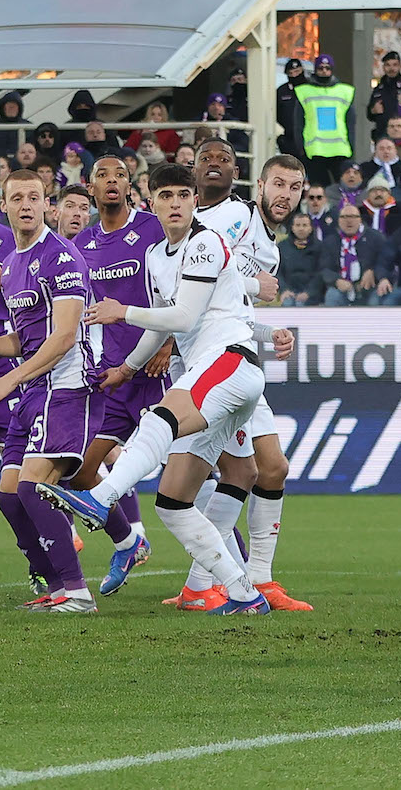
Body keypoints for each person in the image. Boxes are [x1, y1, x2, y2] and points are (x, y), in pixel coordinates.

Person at [35, 163, 288, 617]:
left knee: (160, 420)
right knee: (173, 501)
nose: (175, 203)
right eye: (165, 196)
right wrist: (127, 370)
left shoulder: (206, 242)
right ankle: (243, 593)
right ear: (150, 202)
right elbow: (163, 319)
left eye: (182, 195)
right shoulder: (157, 257)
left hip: (228, 362)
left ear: (195, 202)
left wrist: (121, 311)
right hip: (215, 373)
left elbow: (185, 318)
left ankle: (102, 497)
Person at [163, 142, 310, 612]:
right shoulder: (234, 216)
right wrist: (254, 285)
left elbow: (233, 307)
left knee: (267, 469)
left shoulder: (269, 246)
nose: (286, 195)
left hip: (236, 353)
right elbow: (192, 261)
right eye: (279, 185)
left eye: (295, 188)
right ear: (260, 186)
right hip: (208, 363)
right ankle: (213, 584)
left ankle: (242, 581)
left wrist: (271, 333)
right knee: (238, 471)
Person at [0, 169, 101, 611]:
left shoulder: (61, 256)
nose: (24, 205)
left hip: (66, 383)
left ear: (46, 206)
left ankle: (77, 591)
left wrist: (8, 378)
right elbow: (21, 340)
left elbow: (63, 338)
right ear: (6, 205)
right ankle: (57, 586)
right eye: (16, 197)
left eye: (33, 198)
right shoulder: (14, 265)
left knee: (32, 486)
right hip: (36, 385)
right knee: (8, 494)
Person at [71, 155, 171, 594]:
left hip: (154, 372)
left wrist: (167, 342)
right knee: (80, 472)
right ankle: (129, 540)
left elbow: (181, 284)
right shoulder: (83, 243)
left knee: (191, 480)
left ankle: (235, 572)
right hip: (111, 378)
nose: (112, 182)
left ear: (131, 185)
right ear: (89, 188)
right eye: (103, 177)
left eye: (120, 176)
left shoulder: (152, 227)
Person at [295, 54, 357, 186]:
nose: (324, 71)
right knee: (319, 190)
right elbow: (298, 123)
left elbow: (350, 122)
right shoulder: (304, 91)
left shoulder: (344, 91)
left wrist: (351, 145)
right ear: (315, 70)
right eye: (321, 68)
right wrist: (301, 148)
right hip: (315, 150)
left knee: (343, 190)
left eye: (327, 68)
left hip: (340, 149)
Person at [320, 204, 382, 306]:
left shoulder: (376, 238)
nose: (349, 221)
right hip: (341, 287)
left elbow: (386, 263)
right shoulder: (330, 241)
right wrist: (336, 280)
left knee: (376, 300)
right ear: (339, 220)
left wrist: (373, 271)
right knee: (332, 295)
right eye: (344, 217)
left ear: (360, 219)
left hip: (369, 288)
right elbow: (324, 268)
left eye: (353, 217)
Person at [278, 212, 322, 306]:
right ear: (292, 228)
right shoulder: (282, 247)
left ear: (310, 228)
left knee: (300, 304)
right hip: (289, 292)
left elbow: (321, 273)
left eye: (305, 225)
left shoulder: (320, 247)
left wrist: (309, 292)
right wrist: (284, 290)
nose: (301, 228)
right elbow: (277, 272)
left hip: (312, 294)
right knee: (288, 303)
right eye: (298, 225)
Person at [368, 50, 401, 140]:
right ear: (383, 67)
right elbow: (369, 114)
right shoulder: (378, 89)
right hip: (382, 136)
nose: (391, 68)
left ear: (400, 66)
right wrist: (373, 110)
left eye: (395, 65)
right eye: (388, 65)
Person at [0, 91, 30, 158]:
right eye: (9, 105)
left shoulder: (28, 127)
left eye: (14, 105)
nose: (11, 108)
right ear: (3, 108)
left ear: (19, 108)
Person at [276, 58, 308, 160]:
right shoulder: (282, 91)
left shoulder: (311, 88)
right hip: (290, 138)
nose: (294, 75)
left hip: (309, 138)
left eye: (297, 71)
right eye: (291, 73)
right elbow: (277, 113)